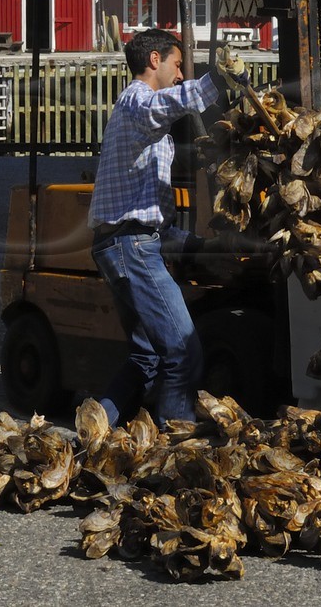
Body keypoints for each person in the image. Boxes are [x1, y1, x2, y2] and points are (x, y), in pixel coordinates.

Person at [87, 28, 241, 426]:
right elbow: (166, 105)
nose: (179, 74)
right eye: (176, 64)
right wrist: (217, 79)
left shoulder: (136, 112)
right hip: (131, 247)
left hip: (124, 245)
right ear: (154, 60)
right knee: (182, 351)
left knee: (147, 357)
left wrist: (197, 247)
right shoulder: (138, 101)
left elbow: (152, 213)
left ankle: (94, 431)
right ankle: (176, 454)